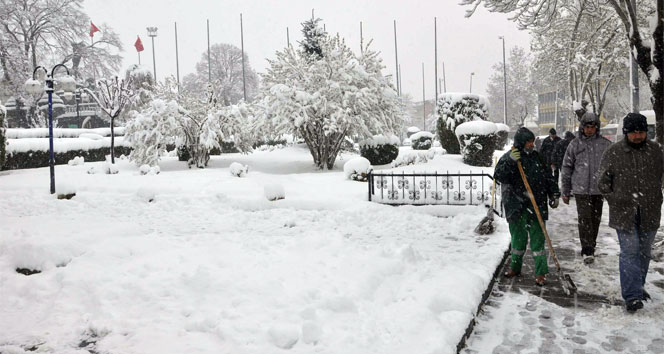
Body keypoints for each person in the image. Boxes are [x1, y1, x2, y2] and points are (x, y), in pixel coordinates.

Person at [598, 113, 664, 313]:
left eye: (642, 132)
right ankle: (632, 296)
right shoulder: (614, 152)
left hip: (650, 210)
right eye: (634, 132)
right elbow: (602, 182)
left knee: (644, 252)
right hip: (623, 212)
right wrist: (614, 198)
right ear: (626, 132)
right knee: (630, 251)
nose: (638, 136)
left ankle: (638, 286)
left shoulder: (656, 151)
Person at [495, 127, 561, 286]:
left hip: (536, 205)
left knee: (538, 240)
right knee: (518, 240)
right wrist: (510, 161)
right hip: (516, 205)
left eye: (532, 141)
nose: (532, 145)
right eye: (528, 142)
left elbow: (548, 177)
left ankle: (541, 273)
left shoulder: (539, 158)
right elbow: (499, 177)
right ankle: (515, 267)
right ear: (520, 143)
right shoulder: (509, 158)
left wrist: (554, 194)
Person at [561, 112, 612, 264]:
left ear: (597, 128)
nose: (590, 130)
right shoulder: (575, 144)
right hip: (581, 189)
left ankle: (592, 245)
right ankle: (587, 249)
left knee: (595, 219)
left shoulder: (605, 144)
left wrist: (610, 187)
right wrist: (565, 190)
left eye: (593, 127)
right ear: (582, 128)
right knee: (584, 219)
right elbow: (567, 167)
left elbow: (612, 168)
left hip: (598, 189)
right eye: (587, 127)